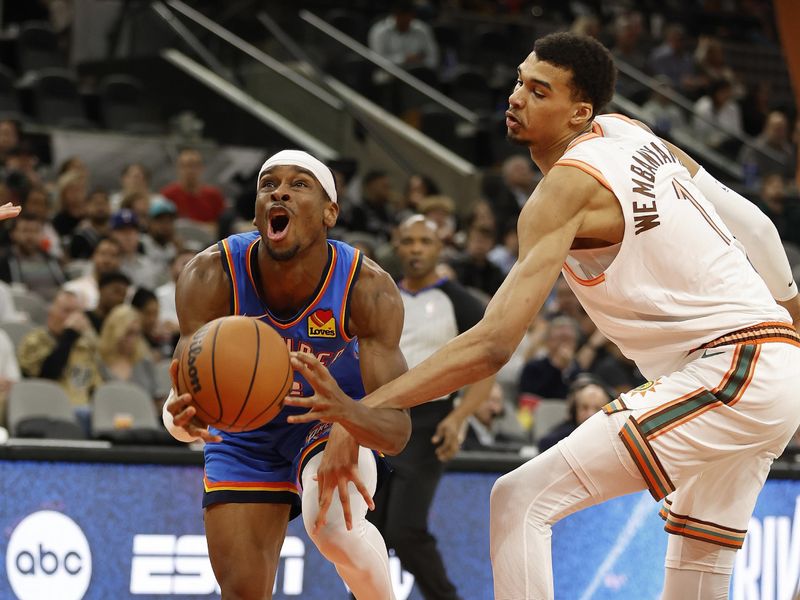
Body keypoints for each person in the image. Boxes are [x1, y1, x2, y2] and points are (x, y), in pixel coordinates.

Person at [286, 33, 800, 600]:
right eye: (519, 80)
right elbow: (758, 226)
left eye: (538, 90)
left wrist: (363, 408)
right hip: (769, 367)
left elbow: (492, 346)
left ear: (580, 112)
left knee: (520, 499)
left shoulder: (565, 191)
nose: (515, 97)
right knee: (697, 565)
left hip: (733, 367)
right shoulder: (629, 131)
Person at [162, 149, 411, 600]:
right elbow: (186, 405)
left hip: (328, 418)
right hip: (244, 432)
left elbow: (397, 432)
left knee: (332, 525)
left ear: (329, 213)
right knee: (242, 593)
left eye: (299, 185)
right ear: (258, 212)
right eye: (268, 184)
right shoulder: (210, 275)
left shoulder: (366, 287)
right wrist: (178, 418)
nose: (279, 191)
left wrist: (350, 420)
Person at [370, 215, 494, 600]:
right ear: (397, 244)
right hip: (377, 419)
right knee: (368, 531)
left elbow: (488, 363)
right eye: (409, 241)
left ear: (440, 246)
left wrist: (459, 417)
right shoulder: (380, 294)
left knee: (406, 531)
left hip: (428, 422)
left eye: (425, 241)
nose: (417, 249)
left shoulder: (459, 300)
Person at [17, 289, 100, 408]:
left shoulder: (84, 346)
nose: (73, 317)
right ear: (51, 313)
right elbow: (45, 378)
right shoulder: (34, 341)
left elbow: (94, 385)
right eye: (67, 311)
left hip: (83, 409)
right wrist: (69, 336)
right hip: (48, 407)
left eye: (77, 313)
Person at [536, 375, 611, 452]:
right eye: (584, 407)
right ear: (574, 410)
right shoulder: (561, 437)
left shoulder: (612, 437)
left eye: (597, 408)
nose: (590, 414)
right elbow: (544, 444)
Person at [160, 148, 226, 225]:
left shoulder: (213, 195)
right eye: (185, 166)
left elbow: (221, 225)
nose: (189, 171)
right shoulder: (168, 195)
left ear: (201, 168)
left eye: (194, 166)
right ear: (178, 169)